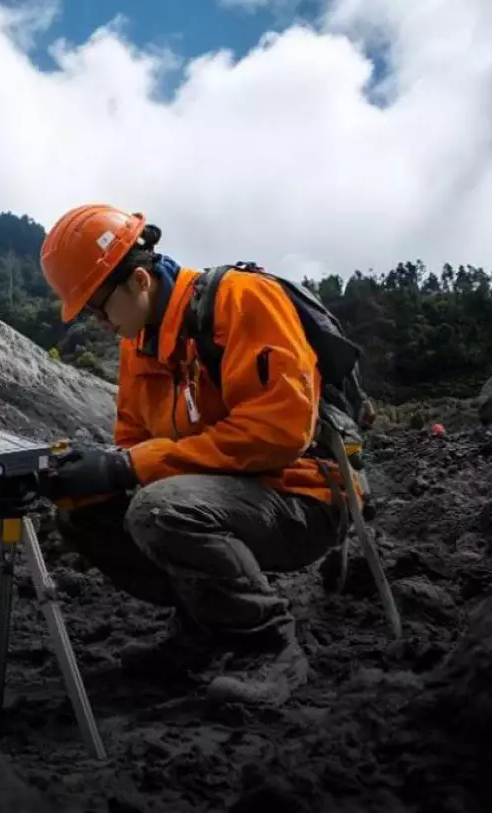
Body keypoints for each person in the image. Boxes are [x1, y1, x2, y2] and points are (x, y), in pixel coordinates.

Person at [35, 203, 352, 706]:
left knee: (160, 510)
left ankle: (269, 644)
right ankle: (205, 629)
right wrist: (91, 473)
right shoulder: (138, 344)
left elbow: (280, 431)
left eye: (97, 308)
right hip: (220, 493)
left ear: (139, 281)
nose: (97, 323)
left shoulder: (243, 301)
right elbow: (135, 442)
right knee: (84, 513)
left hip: (303, 494)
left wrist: (130, 467)